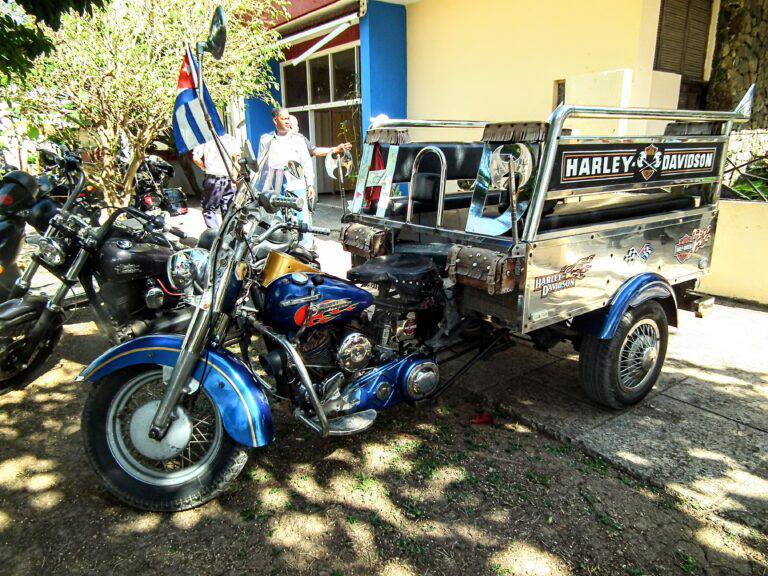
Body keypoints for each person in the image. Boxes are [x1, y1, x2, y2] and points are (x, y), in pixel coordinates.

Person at [257, 108, 317, 249]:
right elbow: (262, 165)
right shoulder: (266, 140)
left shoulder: (298, 139)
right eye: (284, 119)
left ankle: (306, 250)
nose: (288, 122)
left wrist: (310, 185)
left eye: (288, 118)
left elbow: (306, 163)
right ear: (275, 120)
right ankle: (281, 248)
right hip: (275, 187)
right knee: (276, 221)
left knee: (301, 220)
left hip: (296, 185)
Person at [191, 133, 241, 229]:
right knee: (228, 210)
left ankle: (214, 236)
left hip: (213, 179)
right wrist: (234, 179)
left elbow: (196, 158)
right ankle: (228, 237)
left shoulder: (203, 138)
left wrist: (205, 168)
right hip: (229, 179)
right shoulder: (230, 138)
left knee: (209, 209)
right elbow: (237, 160)